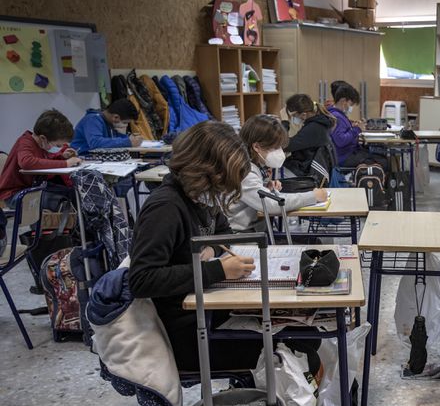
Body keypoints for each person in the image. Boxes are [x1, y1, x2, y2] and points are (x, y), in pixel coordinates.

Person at [129, 120, 263, 371]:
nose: (225, 191)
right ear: (203, 171)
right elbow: (141, 279)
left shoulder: (202, 196)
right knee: (290, 347)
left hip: (208, 311)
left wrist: (212, 249)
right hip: (183, 334)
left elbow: (223, 232)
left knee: (295, 332)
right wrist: (218, 271)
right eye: (222, 181)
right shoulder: (166, 208)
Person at [226, 114, 327, 233]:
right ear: (256, 147)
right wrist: (312, 196)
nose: (280, 152)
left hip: (255, 230)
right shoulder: (244, 171)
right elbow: (270, 205)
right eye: (275, 147)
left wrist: (264, 187)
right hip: (242, 236)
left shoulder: (252, 165)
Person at [0, 109, 80, 207]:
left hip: (33, 188)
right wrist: (66, 163)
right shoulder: (25, 142)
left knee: (74, 194)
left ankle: (80, 222)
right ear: (43, 138)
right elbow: (27, 162)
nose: (59, 148)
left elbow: (43, 162)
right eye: (58, 146)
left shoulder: (40, 145)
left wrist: (62, 157)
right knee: (62, 202)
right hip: (15, 194)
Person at [328, 84, 388, 170]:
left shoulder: (337, 114)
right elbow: (341, 140)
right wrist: (357, 129)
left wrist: (352, 127)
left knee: (378, 155)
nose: (351, 107)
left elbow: (342, 132)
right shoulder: (337, 116)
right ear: (344, 101)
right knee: (383, 162)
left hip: (346, 153)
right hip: (344, 157)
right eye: (351, 104)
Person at [283, 93, 337, 179]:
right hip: (305, 167)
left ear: (304, 115)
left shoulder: (314, 128)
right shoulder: (319, 123)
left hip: (304, 172)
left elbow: (285, 145)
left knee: (270, 176)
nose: (292, 118)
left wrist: (284, 122)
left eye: (293, 116)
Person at [71, 99, 143, 154]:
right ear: (115, 117)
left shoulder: (109, 122)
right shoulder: (92, 119)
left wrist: (123, 135)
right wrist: (127, 142)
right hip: (83, 157)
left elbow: (114, 142)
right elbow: (96, 143)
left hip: (99, 158)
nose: (126, 125)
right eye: (125, 122)